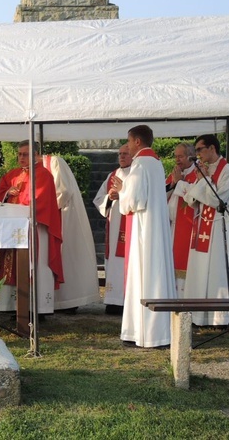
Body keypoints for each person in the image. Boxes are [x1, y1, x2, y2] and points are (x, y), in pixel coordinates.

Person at [113, 125, 176, 348]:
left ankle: (146, 333)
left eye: (129, 142)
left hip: (144, 229)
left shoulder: (140, 164)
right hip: (155, 226)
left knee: (144, 273)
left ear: (137, 142)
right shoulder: (157, 162)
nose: (127, 146)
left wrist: (122, 190)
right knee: (155, 273)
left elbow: (134, 201)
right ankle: (155, 331)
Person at [0, 141, 63, 316]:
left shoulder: (44, 175)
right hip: (13, 229)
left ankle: (38, 308)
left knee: (37, 264)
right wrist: (6, 194)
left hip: (35, 228)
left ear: (36, 155)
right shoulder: (12, 175)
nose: (21, 158)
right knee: (12, 264)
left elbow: (40, 200)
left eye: (25, 154)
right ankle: (10, 306)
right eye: (19, 154)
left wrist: (23, 207)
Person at [182, 134, 229, 327]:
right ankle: (199, 316)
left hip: (219, 227)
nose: (197, 154)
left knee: (218, 272)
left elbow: (219, 201)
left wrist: (204, 180)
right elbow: (191, 198)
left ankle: (221, 317)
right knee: (199, 272)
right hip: (201, 225)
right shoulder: (203, 170)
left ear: (212, 148)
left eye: (199, 149)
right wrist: (201, 180)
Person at [42, 153, 100, 313]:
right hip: (49, 215)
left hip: (64, 215)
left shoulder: (53, 162)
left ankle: (69, 300)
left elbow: (63, 191)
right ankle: (53, 299)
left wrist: (44, 207)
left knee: (68, 256)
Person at [93, 144, 132, 315]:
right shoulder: (112, 175)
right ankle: (114, 301)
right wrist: (109, 197)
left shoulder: (137, 174)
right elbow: (99, 199)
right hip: (115, 224)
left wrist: (122, 194)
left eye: (125, 154)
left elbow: (139, 197)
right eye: (120, 154)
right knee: (115, 264)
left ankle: (128, 301)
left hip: (130, 225)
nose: (122, 157)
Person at [166, 143, 197, 297]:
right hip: (173, 228)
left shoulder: (198, 174)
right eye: (175, 156)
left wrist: (179, 183)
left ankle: (187, 299)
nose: (177, 160)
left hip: (189, 227)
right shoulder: (175, 174)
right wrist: (173, 183)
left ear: (190, 156)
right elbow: (162, 196)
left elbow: (195, 198)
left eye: (181, 156)